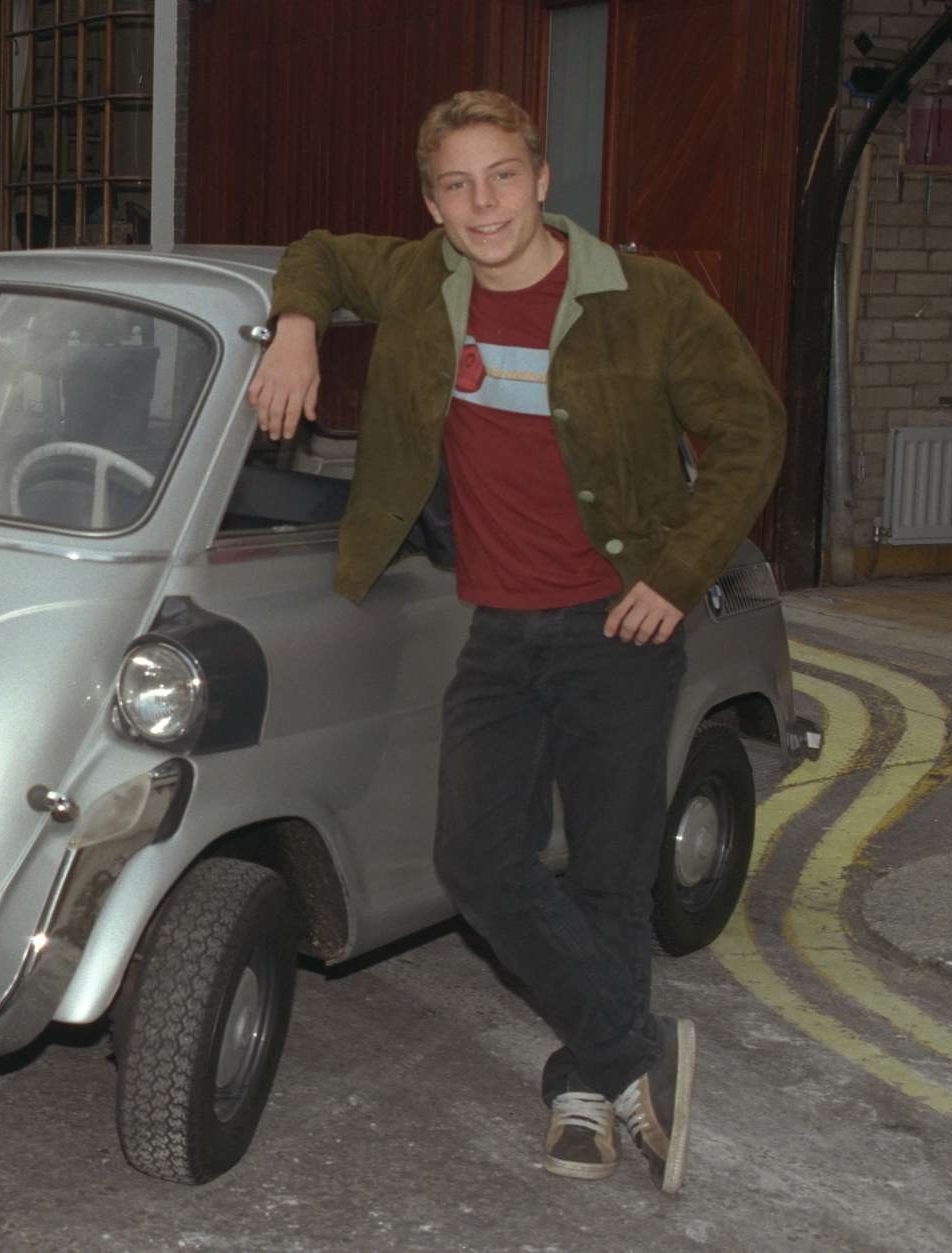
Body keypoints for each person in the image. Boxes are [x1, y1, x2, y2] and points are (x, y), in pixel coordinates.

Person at [248, 91, 784, 1194]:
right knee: (477, 862)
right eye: (454, 183)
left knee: (606, 871)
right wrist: (296, 324)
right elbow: (310, 252)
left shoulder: (645, 298)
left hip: (615, 633)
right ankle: (637, 1053)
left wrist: (675, 575)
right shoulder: (414, 280)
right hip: (499, 635)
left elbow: (748, 431)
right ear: (430, 202)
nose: (480, 202)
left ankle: (586, 1088)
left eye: (500, 176)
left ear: (541, 181)